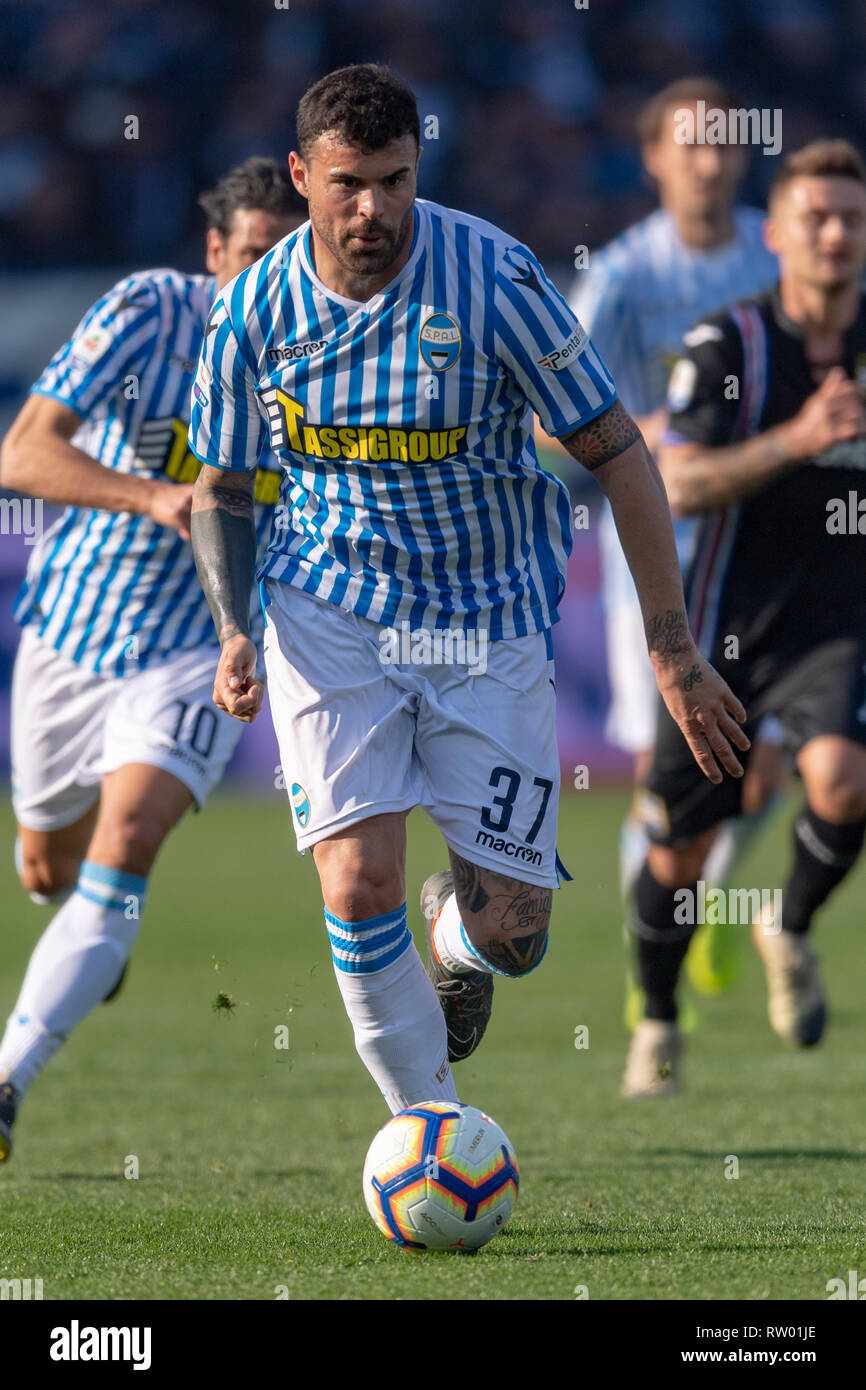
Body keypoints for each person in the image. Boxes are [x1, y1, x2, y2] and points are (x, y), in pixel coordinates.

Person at [188, 64, 747, 1117]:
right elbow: (218, 484)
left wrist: (670, 652)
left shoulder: (492, 277)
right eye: (348, 183)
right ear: (302, 175)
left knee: (514, 934)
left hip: (486, 620)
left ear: (418, 168)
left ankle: (456, 934)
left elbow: (620, 451)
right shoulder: (254, 307)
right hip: (328, 612)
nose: (373, 208)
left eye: (395, 181)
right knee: (357, 886)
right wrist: (231, 627)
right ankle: (427, 1129)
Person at [0, 159, 305, 1161]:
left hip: (199, 651)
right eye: (251, 257)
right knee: (48, 867)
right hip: (70, 639)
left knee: (126, 842)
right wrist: (155, 497)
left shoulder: (327, 347)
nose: (267, 280)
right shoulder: (149, 312)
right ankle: (85, 930)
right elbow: (21, 453)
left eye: (286, 257)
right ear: (215, 253)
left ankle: (8, 1080)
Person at [623, 139, 866, 1096]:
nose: (837, 233)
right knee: (677, 855)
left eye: (851, 217)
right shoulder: (730, 345)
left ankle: (789, 923)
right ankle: (655, 1018)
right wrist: (801, 440)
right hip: (721, 633)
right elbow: (677, 481)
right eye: (817, 216)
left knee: (845, 785)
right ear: (778, 235)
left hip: (839, 626)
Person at [566, 77, 784, 1004]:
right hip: (659, 568)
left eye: (725, 143)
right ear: (654, 157)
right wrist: (654, 433)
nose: (710, 161)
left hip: (773, 555)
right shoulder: (622, 275)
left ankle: (712, 902)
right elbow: (550, 415)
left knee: (770, 760)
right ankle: (648, 974)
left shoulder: (780, 259)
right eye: (690, 144)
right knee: (671, 782)